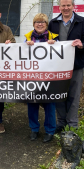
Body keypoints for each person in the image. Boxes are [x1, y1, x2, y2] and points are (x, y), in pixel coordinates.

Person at [48, 0, 84, 132]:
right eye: (63, 5)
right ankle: (61, 122)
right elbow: (45, 42)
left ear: (73, 6)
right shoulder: (53, 23)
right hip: (58, 67)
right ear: (59, 7)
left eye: (68, 5)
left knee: (74, 95)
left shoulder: (82, 22)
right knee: (60, 95)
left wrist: (81, 45)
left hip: (76, 65)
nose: (66, 8)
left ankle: (72, 124)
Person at [24, 13, 58, 142]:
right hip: (32, 77)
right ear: (33, 24)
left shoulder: (54, 38)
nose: (40, 24)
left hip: (48, 77)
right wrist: (25, 46)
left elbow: (61, 55)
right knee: (32, 103)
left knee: (49, 104)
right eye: (37, 22)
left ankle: (49, 131)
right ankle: (34, 129)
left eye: (43, 22)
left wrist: (55, 45)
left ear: (46, 24)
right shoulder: (26, 39)